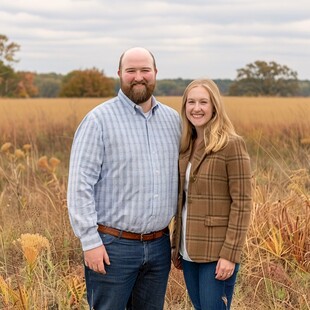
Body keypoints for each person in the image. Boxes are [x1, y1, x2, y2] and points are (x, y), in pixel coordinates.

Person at [67, 47, 181, 310]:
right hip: (112, 247)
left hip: (159, 246)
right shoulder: (98, 121)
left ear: (155, 73)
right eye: (131, 71)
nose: (138, 76)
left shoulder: (172, 121)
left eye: (145, 70)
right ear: (119, 74)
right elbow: (80, 186)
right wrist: (90, 242)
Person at [171, 79, 252, 310]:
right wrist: (176, 245)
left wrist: (230, 254)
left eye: (203, 102)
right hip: (188, 249)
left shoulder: (231, 145)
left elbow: (242, 203)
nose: (196, 108)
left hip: (217, 253)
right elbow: (183, 201)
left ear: (214, 106)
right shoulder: (187, 144)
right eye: (191, 102)